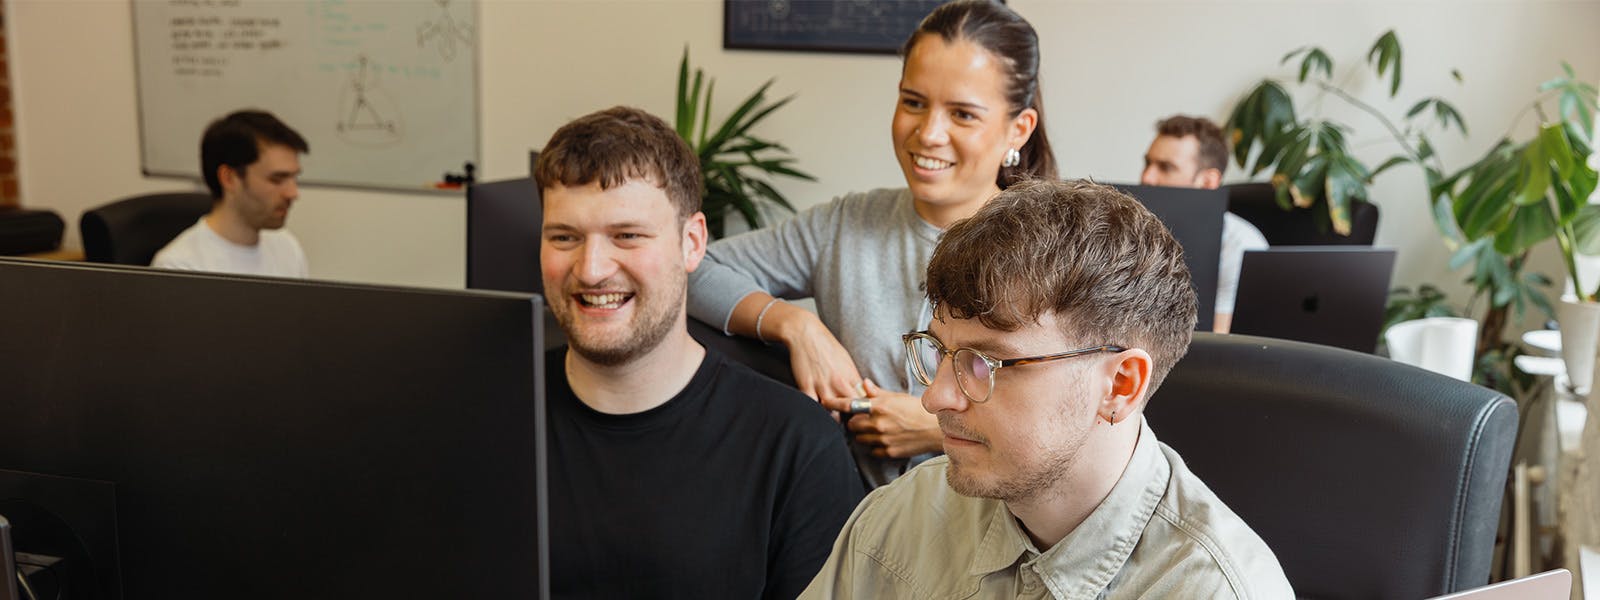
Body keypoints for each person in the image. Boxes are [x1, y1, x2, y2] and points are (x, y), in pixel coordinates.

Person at [801, 179, 1293, 599]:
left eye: (985, 362)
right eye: (938, 350)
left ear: (1120, 385)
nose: (934, 398)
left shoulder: (1218, 589)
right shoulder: (899, 519)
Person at [687, 0, 1055, 486]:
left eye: (962, 114)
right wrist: (796, 325)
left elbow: (1077, 424)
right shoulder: (844, 225)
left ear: (1018, 128)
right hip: (860, 533)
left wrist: (934, 429)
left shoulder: (1055, 251)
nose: (928, 133)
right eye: (914, 102)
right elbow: (688, 267)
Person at [536, 106, 864, 599]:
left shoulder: (796, 447)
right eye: (565, 237)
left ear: (692, 244)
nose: (592, 269)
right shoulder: (484, 415)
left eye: (627, 236)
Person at [1140, 114, 1269, 333]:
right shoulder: (1129, 230)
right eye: (1148, 164)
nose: (1147, 177)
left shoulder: (1240, 244)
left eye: (1165, 167)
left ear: (1208, 181)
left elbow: (1219, 341)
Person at [153, 110, 310, 277]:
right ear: (229, 178)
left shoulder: (287, 247)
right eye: (276, 179)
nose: (293, 193)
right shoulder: (178, 267)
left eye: (294, 178)